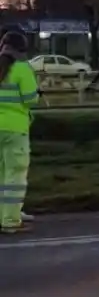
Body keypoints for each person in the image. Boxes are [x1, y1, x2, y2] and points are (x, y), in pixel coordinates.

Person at [0, 32, 38, 234]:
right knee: (15, 177)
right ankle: (11, 220)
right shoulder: (22, 69)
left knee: (1, 175)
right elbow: (31, 99)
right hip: (15, 129)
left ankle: (4, 215)